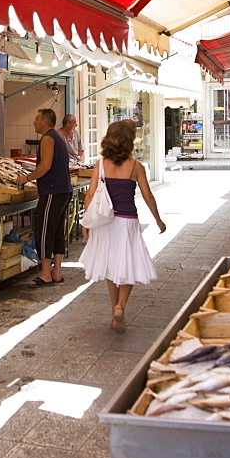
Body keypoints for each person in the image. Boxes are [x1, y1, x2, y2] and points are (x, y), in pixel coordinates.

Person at [79, 120, 166, 334]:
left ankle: (114, 311)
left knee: (110, 265)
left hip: (104, 221)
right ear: (129, 141)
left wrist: (86, 222)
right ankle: (120, 307)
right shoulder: (136, 166)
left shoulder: (101, 164)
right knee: (128, 264)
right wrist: (158, 220)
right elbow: (148, 197)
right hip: (127, 221)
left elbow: (90, 194)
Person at [15, 108, 72, 288]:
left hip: (52, 192)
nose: (34, 122)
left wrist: (27, 178)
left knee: (45, 230)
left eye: (36, 119)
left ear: (44, 122)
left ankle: (46, 274)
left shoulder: (48, 138)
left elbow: (45, 166)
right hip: (63, 190)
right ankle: (56, 272)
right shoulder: (58, 137)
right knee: (56, 231)